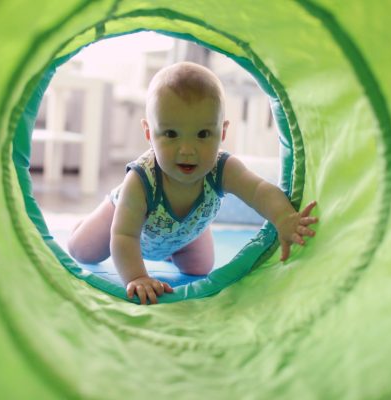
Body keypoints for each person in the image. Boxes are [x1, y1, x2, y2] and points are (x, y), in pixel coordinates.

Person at [68, 61, 318, 305]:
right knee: (82, 250)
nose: (187, 150)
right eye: (171, 134)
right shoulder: (141, 180)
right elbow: (124, 235)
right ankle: (84, 225)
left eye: (202, 134)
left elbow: (259, 190)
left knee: (200, 268)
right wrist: (138, 277)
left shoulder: (223, 169)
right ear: (148, 133)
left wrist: (284, 218)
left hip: (185, 231)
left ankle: (172, 248)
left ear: (222, 132)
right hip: (123, 224)